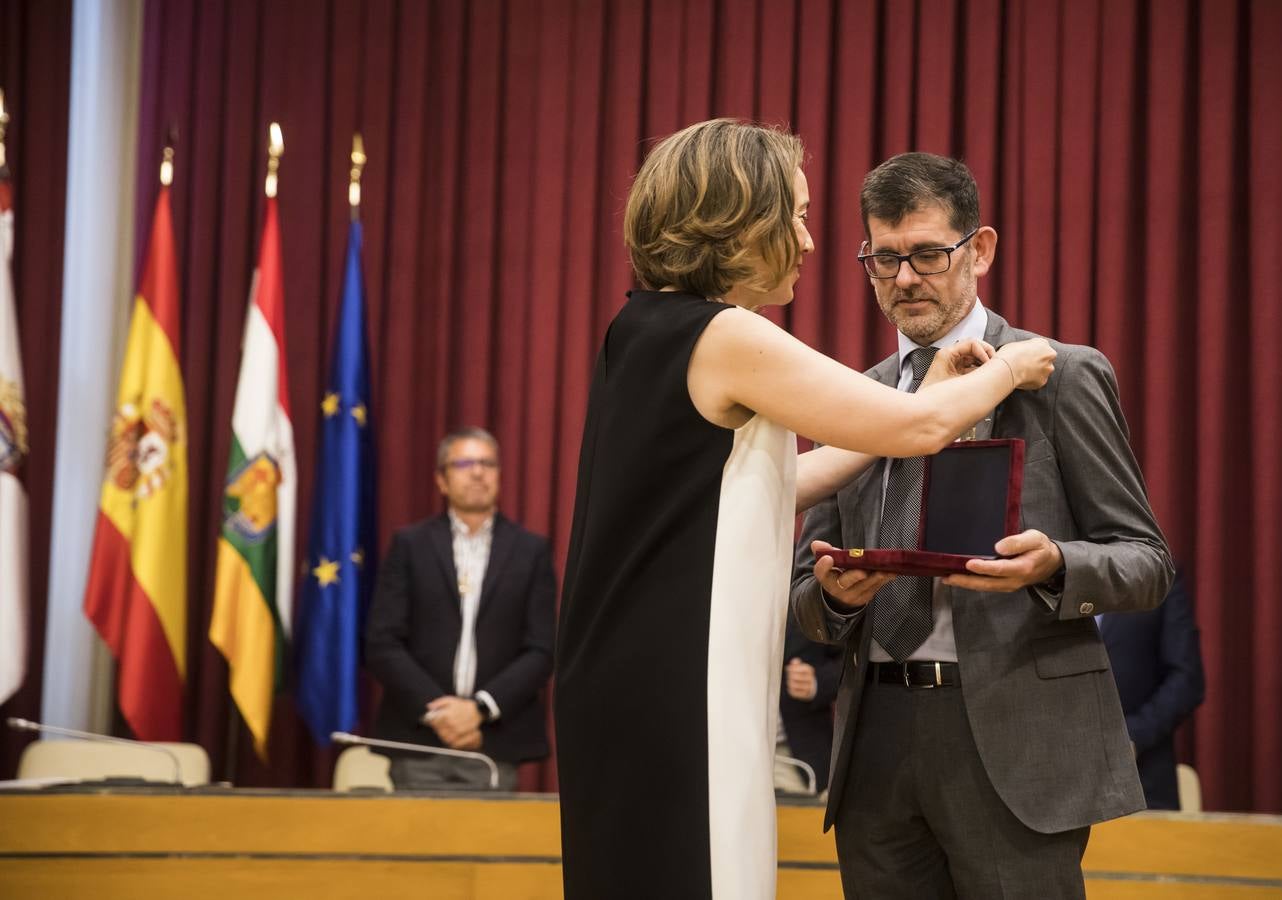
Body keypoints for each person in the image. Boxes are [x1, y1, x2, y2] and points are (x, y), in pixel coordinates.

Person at [554, 119, 1056, 900]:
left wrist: (924, 392)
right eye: (793, 214)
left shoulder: (644, 326)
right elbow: (915, 430)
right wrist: (1012, 364)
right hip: (681, 682)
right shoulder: (721, 333)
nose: (809, 240)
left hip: (639, 677)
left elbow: (781, 480)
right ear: (737, 221)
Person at [791, 151, 1175, 900]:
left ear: (982, 250)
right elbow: (806, 597)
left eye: (928, 254)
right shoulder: (849, 396)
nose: (905, 279)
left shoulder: (1058, 374)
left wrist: (1057, 563)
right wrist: (839, 596)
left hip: (1015, 742)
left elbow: (1146, 560)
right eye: (884, 258)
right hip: (875, 740)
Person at [365, 427, 555, 791]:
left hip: (493, 745)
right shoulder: (410, 545)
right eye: (465, 463)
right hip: (417, 739)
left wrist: (478, 710)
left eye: (487, 463)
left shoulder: (531, 551)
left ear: (500, 475)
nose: (478, 472)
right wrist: (441, 712)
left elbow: (542, 650)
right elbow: (382, 642)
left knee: (490, 848)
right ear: (442, 479)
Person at [1100, 572, 1206, 810]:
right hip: (1051, 784)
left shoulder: (1157, 576)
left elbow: (1187, 679)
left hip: (1142, 778)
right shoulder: (1039, 573)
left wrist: (1132, 736)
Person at [777, 613, 843, 797]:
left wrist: (817, 682)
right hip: (724, 751)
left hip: (794, 754)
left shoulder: (806, 587)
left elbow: (856, 659)